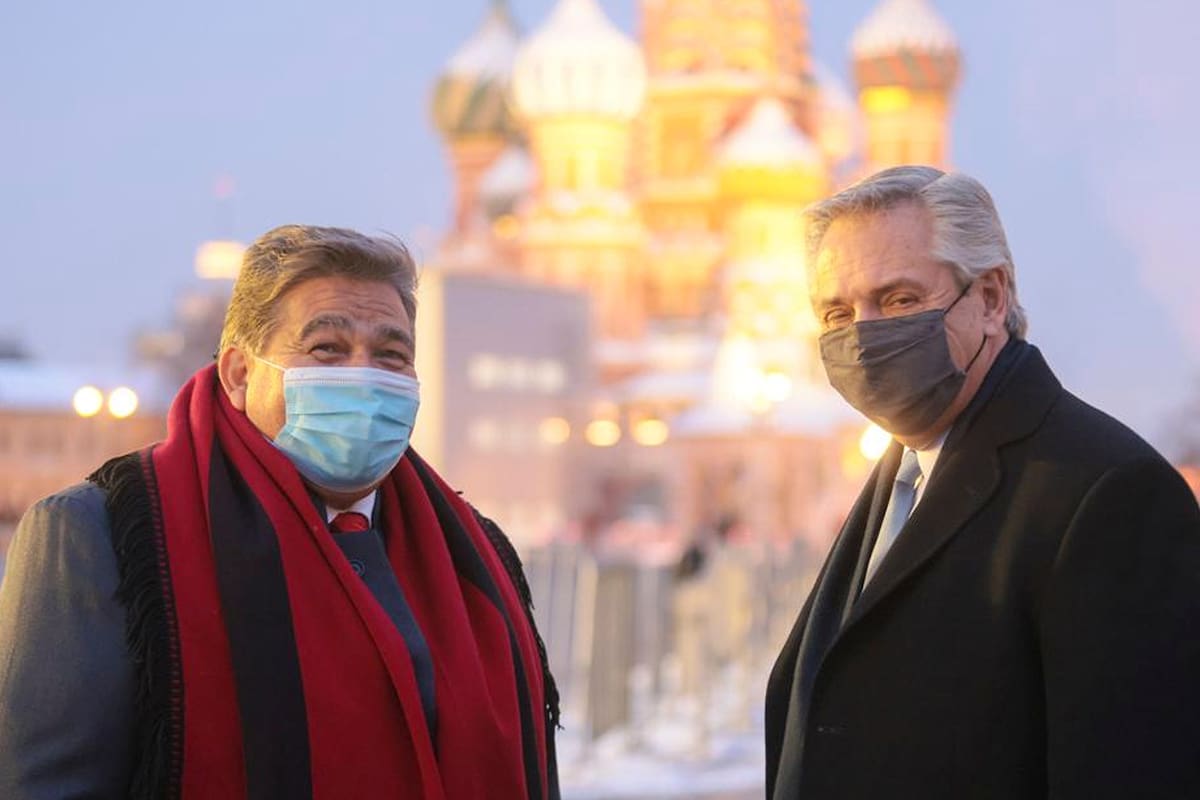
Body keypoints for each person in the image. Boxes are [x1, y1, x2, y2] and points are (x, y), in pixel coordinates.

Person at [0, 225, 560, 799]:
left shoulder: (474, 555)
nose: (364, 376)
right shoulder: (103, 535)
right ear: (241, 374)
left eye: (391, 355)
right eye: (327, 349)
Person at [765, 166, 1200, 798]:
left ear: (991, 298)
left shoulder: (1103, 492)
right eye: (837, 311)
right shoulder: (904, 474)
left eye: (899, 299)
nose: (861, 335)